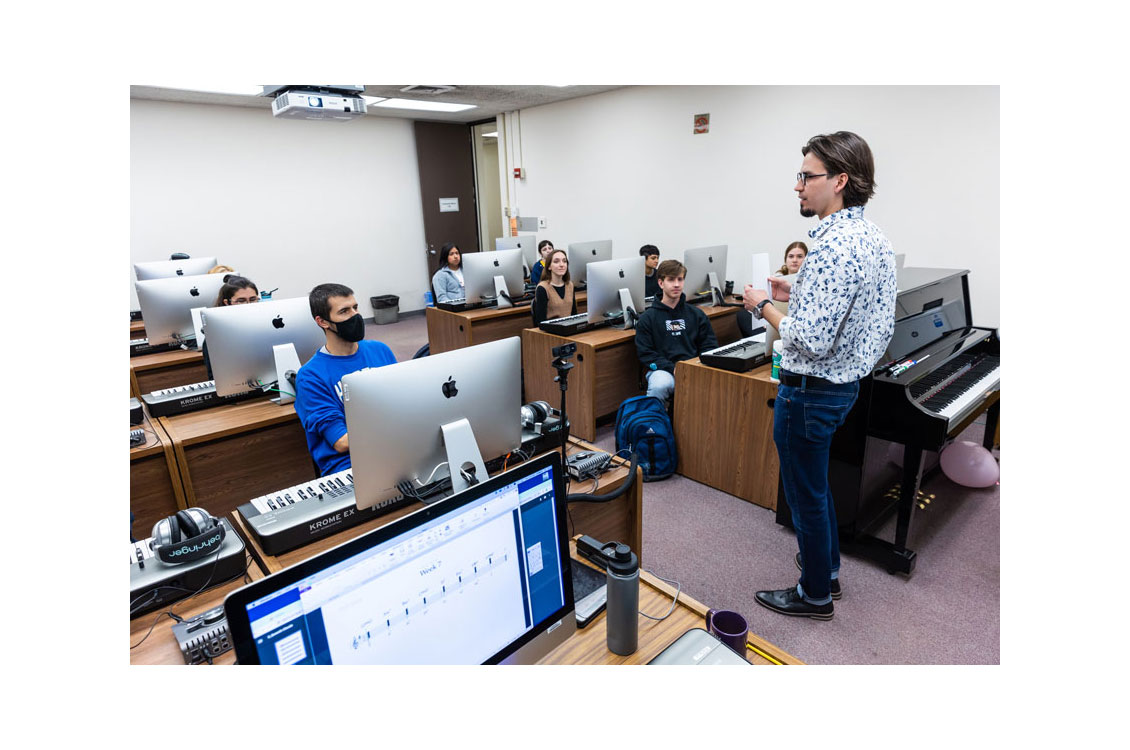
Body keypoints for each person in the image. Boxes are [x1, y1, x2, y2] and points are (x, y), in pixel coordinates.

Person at [743, 131, 897, 620]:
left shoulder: (834, 249)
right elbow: (865, 314)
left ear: (840, 180)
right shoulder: (872, 238)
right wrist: (799, 288)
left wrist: (763, 304)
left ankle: (813, 595)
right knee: (818, 487)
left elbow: (809, 339)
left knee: (804, 495)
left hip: (810, 392)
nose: (798, 186)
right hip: (843, 387)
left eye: (807, 177)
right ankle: (826, 568)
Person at [294, 283, 397, 476]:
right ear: (323, 322)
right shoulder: (310, 377)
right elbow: (341, 441)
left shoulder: (380, 350)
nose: (355, 316)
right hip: (351, 465)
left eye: (355, 308)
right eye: (344, 311)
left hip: (394, 448)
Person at [635, 259, 718, 408]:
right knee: (660, 385)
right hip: (662, 370)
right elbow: (646, 354)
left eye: (680, 279)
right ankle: (654, 425)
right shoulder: (647, 318)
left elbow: (709, 345)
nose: (676, 284)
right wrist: (673, 368)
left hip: (693, 368)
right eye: (671, 279)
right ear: (661, 283)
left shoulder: (697, 314)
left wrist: (696, 367)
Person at [202, 274, 259, 378]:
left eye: (253, 299)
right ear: (227, 302)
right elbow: (215, 377)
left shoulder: (267, 327)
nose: (248, 305)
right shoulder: (216, 336)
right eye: (241, 301)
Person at [531, 248, 577, 325]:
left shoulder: (570, 285)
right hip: (551, 332)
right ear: (549, 266)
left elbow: (574, 315)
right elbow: (540, 322)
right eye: (556, 262)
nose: (562, 265)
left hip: (569, 329)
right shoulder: (542, 288)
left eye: (564, 261)